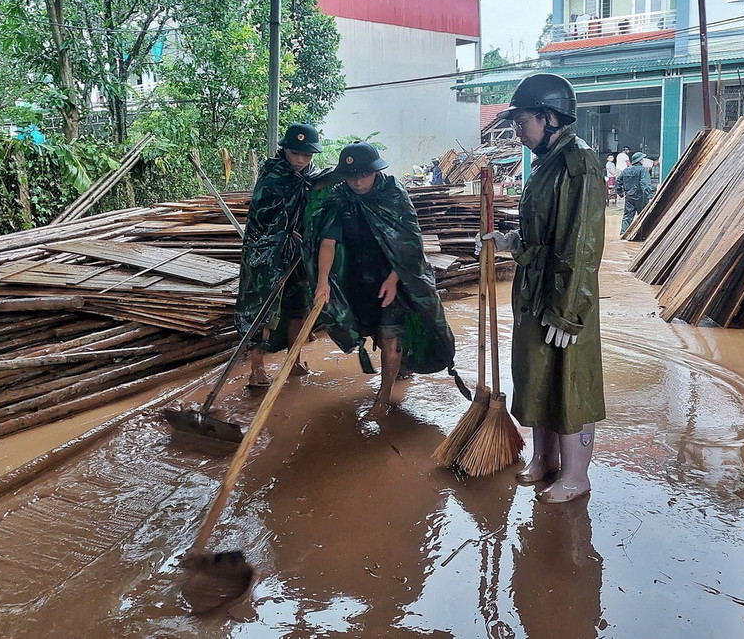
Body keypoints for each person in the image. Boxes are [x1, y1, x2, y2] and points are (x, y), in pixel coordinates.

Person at [484, 73, 606, 504]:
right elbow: (542, 236)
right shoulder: (546, 162)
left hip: (565, 296)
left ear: (550, 116)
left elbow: (581, 245)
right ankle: (544, 459)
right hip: (536, 292)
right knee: (537, 373)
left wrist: (568, 311)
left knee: (570, 381)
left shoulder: (579, 163)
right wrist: (511, 244)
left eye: (522, 121)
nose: (517, 129)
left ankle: (576, 475)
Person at [308, 141, 461, 418]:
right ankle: (400, 370)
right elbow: (328, 241)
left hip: (399, 275)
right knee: (376, 330)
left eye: (363, 176)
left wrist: (395, 278)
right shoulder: (341, 198)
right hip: (360, 276)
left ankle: (384, 398)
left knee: (391, 333)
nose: (357, 182)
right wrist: (323, 281)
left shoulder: (393, 195)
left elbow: (410, 242)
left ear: (376, 172)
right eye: (351, 177)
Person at [235, 122, 325, 387]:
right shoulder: (273, 175)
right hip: (265, 257)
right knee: (260, 310)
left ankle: (294, 361)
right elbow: (262, 218)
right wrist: (284, 234)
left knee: (298, 308)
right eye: (295, 152)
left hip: (297, 256)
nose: (300, 159)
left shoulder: (310, 177)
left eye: (306, 155)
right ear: (284, 149)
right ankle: (257, 369)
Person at [615, 151, 654, 235]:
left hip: (629, 197)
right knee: (643, 216)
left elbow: (618, 181)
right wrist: (650, 195)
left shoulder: (626, 170)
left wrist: (620, 193)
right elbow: (645, 183)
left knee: (627, 216)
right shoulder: (643, 170)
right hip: (641, 197)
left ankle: (623, 233)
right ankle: (643, 234)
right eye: (643, 159)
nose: (643, 160)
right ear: (640, 160)